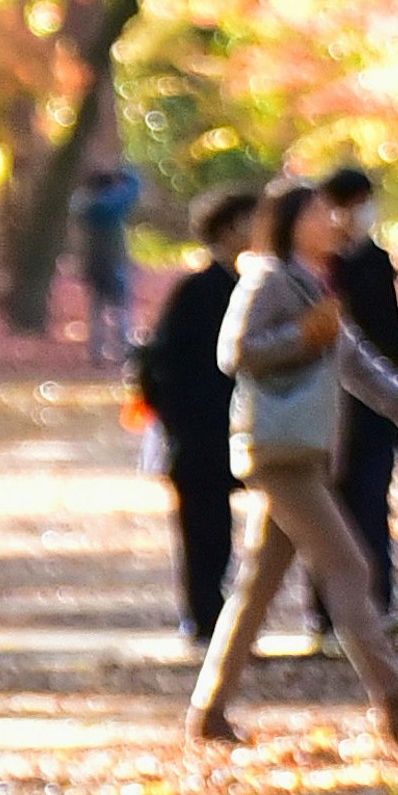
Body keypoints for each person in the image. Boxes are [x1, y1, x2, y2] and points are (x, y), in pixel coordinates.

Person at [188, 179, 398, 748]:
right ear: (292, 222)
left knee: (257, 586)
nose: (334, 222)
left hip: (303, 450)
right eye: (320, 213)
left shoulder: (312, 284)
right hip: (278, 452)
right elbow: (233, 352)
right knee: (349, 567)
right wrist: (300, 336)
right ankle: (395, 702)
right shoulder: (268, 278)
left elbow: (359, 367)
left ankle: (209, 710)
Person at [132, 185, 257, 644]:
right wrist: (178, 420)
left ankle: (219, 613)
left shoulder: (246, 286)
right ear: (227, 230)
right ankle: (203, 613)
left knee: (220, 532)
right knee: (201, 530)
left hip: (230, 429)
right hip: (199, 433)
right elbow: (160, 362)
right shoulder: (198, 289)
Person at [320, 162, 398, 630]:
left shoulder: (375, 260)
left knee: (374, 508)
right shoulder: (316, 266)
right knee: (329, 515)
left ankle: (380, 601)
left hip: (375, 412)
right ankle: (329, 613)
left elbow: (391, 339)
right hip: (325, 412)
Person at [72, 155, 141, 372]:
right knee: (121, 306)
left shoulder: (82, 205)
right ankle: (123, 348)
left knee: (96, 307)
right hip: (113, 262)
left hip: (91, 263)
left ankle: (96, 350)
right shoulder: (113, 205)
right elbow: (135, 185)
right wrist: (121, 171)